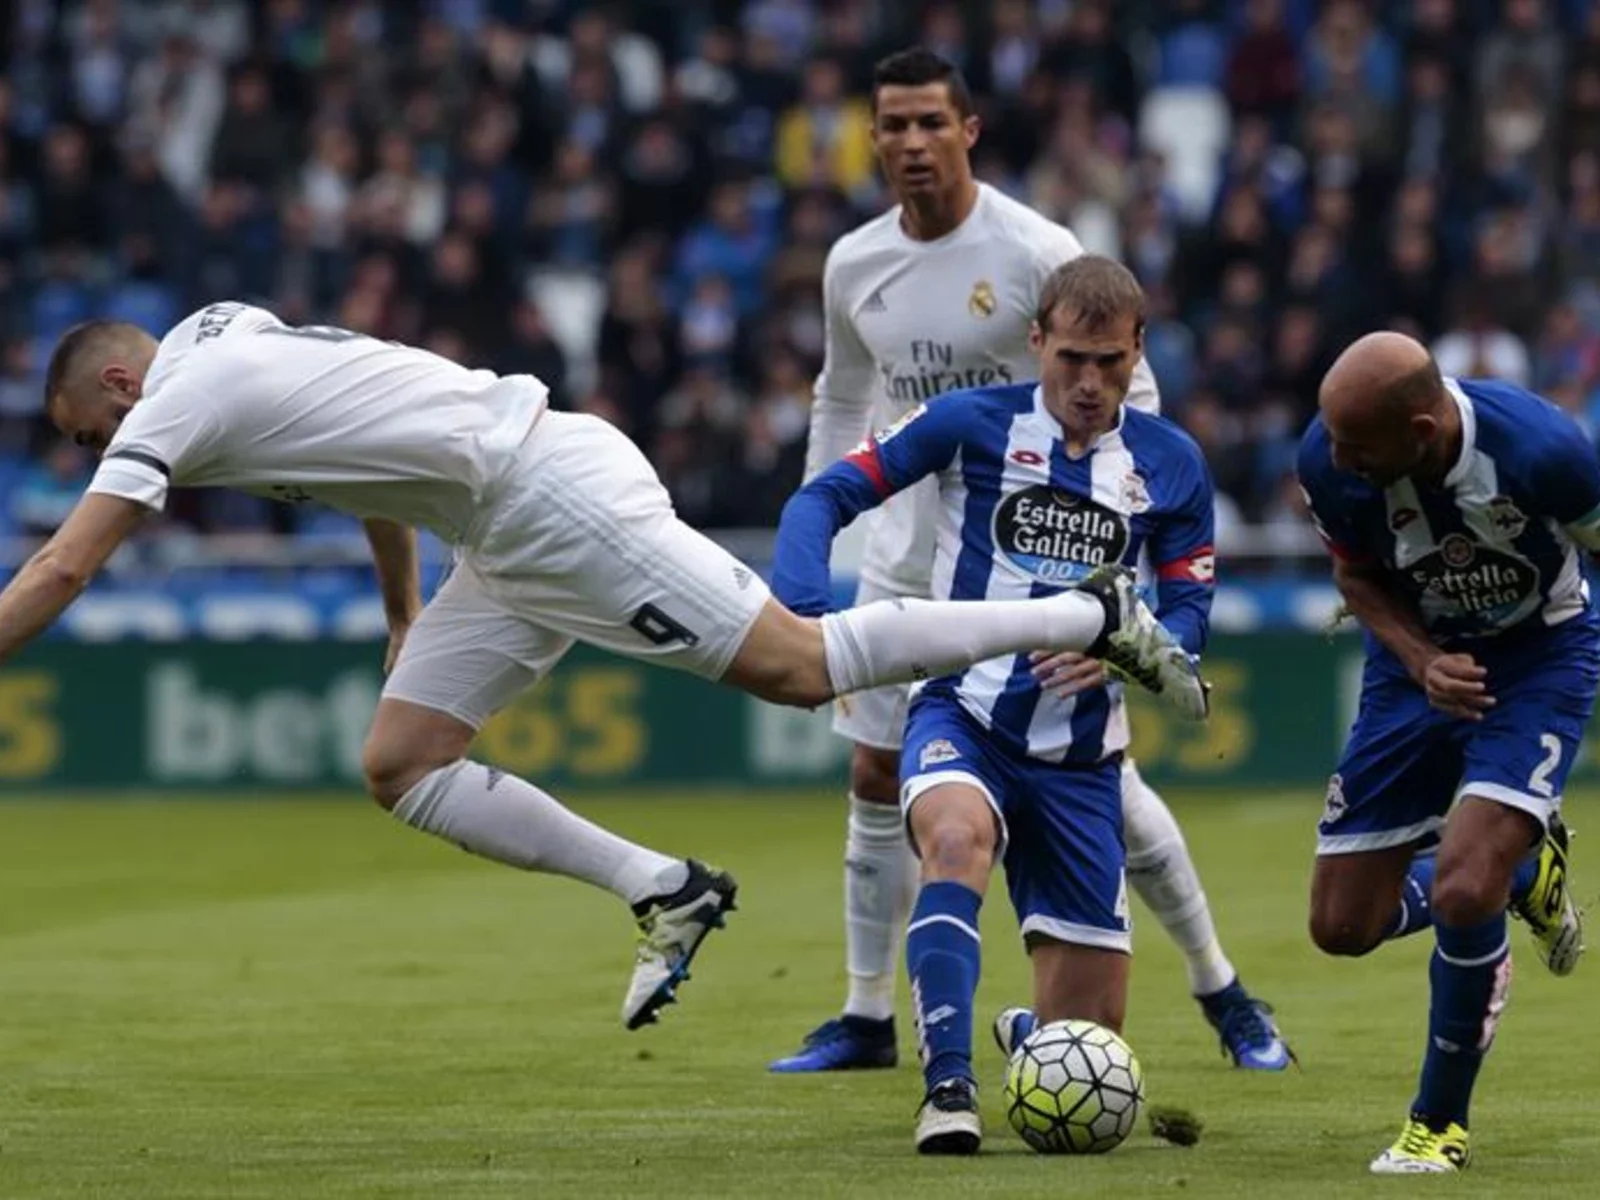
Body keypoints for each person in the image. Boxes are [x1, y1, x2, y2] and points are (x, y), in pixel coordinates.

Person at [9, 304, 1206, 1033]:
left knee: (797, 669)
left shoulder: (173, 406)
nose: (94, 462)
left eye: (87, 441)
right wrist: (402, 612)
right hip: (498, 524)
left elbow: (63, 570)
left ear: (122, 387)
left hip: (546, 497)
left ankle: (1078, 612)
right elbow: (345, 461)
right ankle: (664, 887)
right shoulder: (223, 336)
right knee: (401, 760)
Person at [772, 46, 1290, 1076]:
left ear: (967, 130)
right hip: (904, 563)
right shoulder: (853, 263)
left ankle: (1219, 985)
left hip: (1035, 563)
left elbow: (1124, 401)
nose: (912, 142)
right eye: (894, 124)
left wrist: (1110, 571)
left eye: (931, 121)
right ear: (870, 138)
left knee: (1111, 785)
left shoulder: (1032, 249)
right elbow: (841, 398)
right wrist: (826, 525)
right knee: (877, 773)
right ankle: (868, 1014)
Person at [773, 255, 1216, 1153]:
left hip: (1083, 762)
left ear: (1139, 352)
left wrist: (1136, 659)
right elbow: (826, 495)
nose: (1089, 384)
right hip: (963, 717)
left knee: (1088, 1058)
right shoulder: (971, 422)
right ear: (1036, 342)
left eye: (1110, 363)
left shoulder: (1172, 464)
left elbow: (1190, 608)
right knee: (953, 842)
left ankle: (1021, 1031)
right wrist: (804, 607)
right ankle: (947, 1089)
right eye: (1071, 360)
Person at [1297, 331, 1588, 1174]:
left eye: (1357, 446)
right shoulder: (1328, 457)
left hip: (1538, 662)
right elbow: (1356, 578)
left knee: (1463, 887)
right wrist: (1422, 661)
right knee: (1340, 927)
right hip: (1414, 665)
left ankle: (1438, 1126)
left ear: (1422, 433)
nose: (1335, 457)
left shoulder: (1546, 452)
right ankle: (1527, 875)